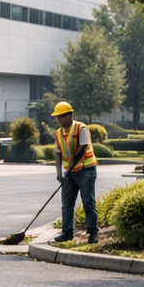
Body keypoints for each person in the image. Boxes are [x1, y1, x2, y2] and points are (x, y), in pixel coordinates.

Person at [52, 100, 98, 244]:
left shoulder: (81, 128)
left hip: (86, 170)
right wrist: (59, 172)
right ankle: (67, 233)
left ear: (70, 115)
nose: (60, 119)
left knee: (88, 202)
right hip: (69, 173)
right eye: (58, 117)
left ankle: (93, 233)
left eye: (62, 116)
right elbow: (58, 153)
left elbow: (83, 148)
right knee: (66, 204)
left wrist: (72, 165)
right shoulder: (58, 133)